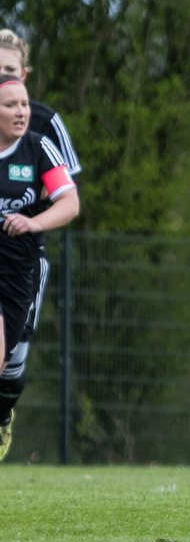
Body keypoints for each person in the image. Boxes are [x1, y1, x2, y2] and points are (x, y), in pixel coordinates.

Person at [0, 29, 83, 461]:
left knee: (13, 362)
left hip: (22, 263)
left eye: (9, 73)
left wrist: (31, 224)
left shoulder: (43, 132)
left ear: (24, 74)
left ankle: (3, 413)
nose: (3, 79)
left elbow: (67, 196)